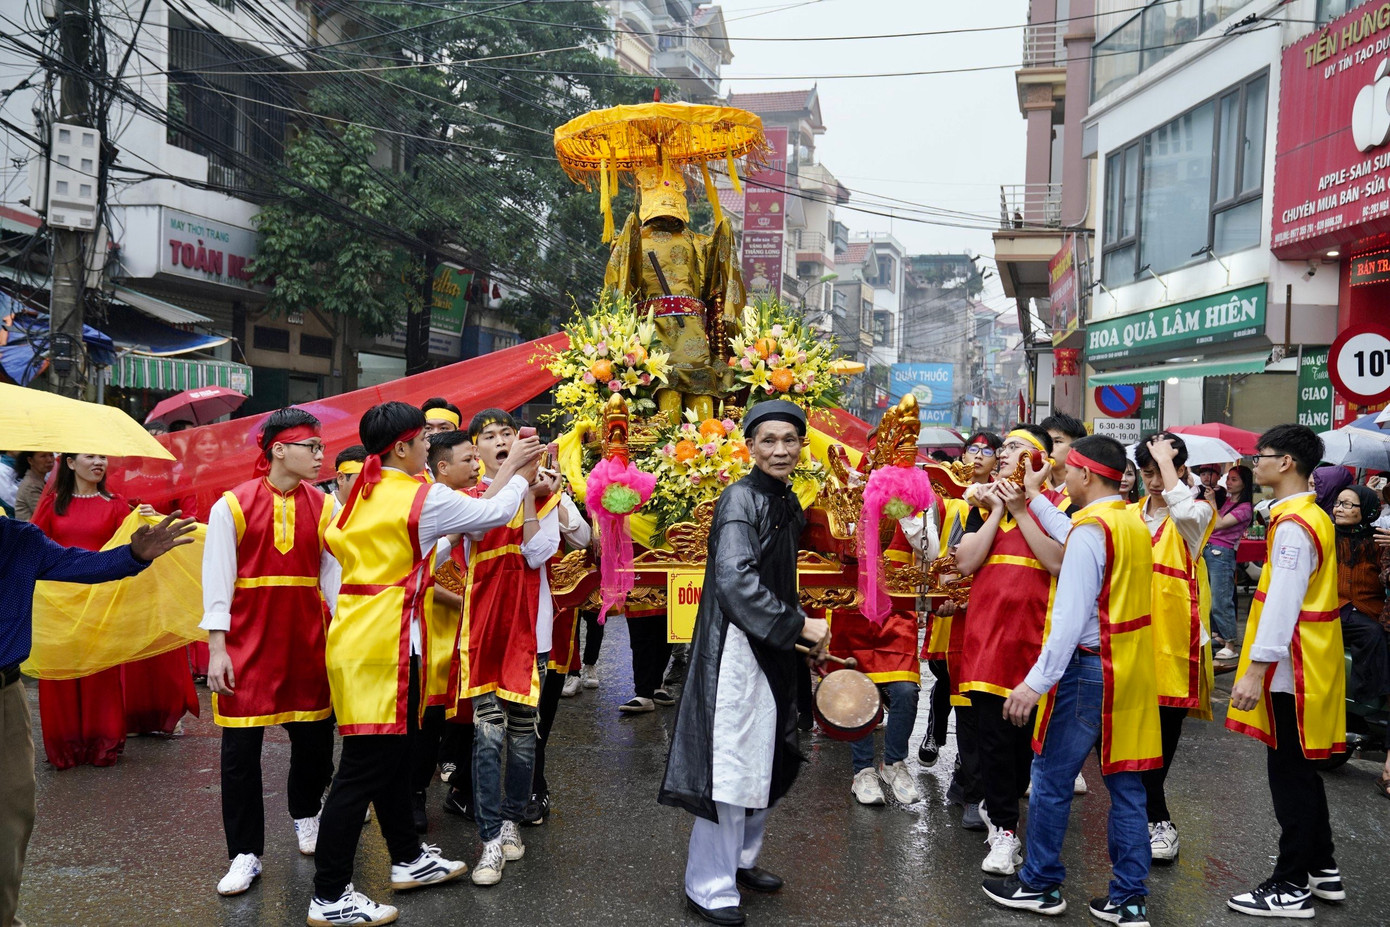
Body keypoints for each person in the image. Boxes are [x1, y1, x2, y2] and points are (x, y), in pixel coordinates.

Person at [307, 401, 542, 926]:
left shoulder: (359, 490)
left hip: (364, 638)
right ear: (402, 448)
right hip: (383, 643)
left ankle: (408, 858)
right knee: (361, 770)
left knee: (393, 756)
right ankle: (328, 895)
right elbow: (492, 515)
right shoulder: (421, 495)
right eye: (422, 442)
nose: (428, 449)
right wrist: (520, 474)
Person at [659, 400, 829, 927]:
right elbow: (737, 583)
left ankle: (740, 862)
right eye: (769, 441)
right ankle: (707, 883)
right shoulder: (740, 499)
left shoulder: (784, 498)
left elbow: (779, 579)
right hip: (736, 650)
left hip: (772, 644)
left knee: (767, 757)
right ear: (750, 447)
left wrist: (798, 631)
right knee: (732, 766)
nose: (781, 450)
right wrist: (801, 625)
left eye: (790, 440)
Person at [983, 435, 1160, 925]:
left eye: (1065, 470)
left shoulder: (1092, 530)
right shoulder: (1128, 519)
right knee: (1126, 784)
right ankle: (1130, 896)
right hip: (1128, 666)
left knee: (1051, 779)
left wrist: (1034, 682)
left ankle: (1040, 883)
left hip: (1087, 669)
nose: (1060, 476)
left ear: (1085, 474)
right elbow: (1078, 534)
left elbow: (1069, 616)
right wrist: (1031, 501)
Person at [1, 509, 194, 927]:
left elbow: (81, 565)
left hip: (4, 694)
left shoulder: (19, 539)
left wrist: (134, 555)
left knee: (12, 810)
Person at [201, 409, 338, 897]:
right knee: (240, 753)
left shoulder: (325, 506)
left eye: (321, 447)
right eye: (312, 447)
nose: (321, 455)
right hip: (247, 641)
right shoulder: (231, 505)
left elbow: (334, 576)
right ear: (279, 449)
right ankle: (244, 853)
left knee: (316, 741)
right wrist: (217, 648)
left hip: (306, 638)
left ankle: (306, 813)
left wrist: (346, 632)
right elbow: (216, 578)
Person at [1226, 425, 1346, 919]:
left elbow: (1282, 603)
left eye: (1263, 456)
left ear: (1287, 464)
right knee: (1299, 770)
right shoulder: (1303, 515)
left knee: (1290, 774)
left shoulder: (1295, 525)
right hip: (1307, 662)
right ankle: (1322, 867)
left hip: (1291, 668)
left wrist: (1255, 670)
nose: (1256, 464)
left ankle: (1291, 884)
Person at [31, 454, 195, 766]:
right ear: (68, 463)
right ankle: (64, 747)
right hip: (59, 605)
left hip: (102, 604)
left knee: (101, 674)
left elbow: (135, 548)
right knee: (59, 676)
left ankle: (101, 743)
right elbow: (33, 546)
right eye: (89, 456)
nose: (98, 462)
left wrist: (147, 517)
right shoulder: (52, 504)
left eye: (101, 456)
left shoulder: (118, 504)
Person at [952, 426, 1066, 877]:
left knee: (1026, 747)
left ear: (1041, 460)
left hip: (1038, 643)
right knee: (995, 743)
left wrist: (1020, 508)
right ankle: (1003, 830)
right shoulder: (987, 510)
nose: (1002, 456)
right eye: (1004, 450)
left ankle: (1007, 812)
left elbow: (1058, 561)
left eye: (1015, 449)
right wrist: (999, 507)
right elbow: (964, 562)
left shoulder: (1058, 508)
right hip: (988, 641)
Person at [458, 409, 561, 886]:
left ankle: (512, 820)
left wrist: (538, 502)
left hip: (530, 637)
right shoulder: (467, 498)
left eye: (508, 434)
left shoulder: (544, 494)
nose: (500, 440)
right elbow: (478, 529)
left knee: (523, 736)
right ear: (476, 452)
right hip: (481, 634)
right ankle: (489, 840)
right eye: (490, 437)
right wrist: (512, 479)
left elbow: (540, 554)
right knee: (487, 736)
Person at [1131, 433, 1215, 865]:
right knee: (1126, 735)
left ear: (1182, 471)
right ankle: (1146, 817)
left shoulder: (1197, 513)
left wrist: (1167, 463)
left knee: (1162, 736)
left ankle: (1158, 819)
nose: (1153, 481)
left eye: (1161, 471)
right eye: (1146, 472)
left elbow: (1183, 509)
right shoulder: (1126, 514)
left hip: (1173, 644)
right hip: (1126, 641)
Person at [829, 515, 930, 807]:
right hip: (853, 605)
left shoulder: (908, 500)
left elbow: (928, 552)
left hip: (897, 608)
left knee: (905, 691)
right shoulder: (844, 489)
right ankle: (862, 771)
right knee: (859, 692)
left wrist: (923, 603)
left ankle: (894, 763)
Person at [530, 483, 593, 824]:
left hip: (554, 604)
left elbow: (583, 538)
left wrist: (556, 498)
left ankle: (534, 780)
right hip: (502, 603)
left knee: (544, 698)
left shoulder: (553, 493)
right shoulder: (481, 490)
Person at [1332, 485, 1390, 702]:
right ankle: (1368, 698)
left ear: (1365, 509)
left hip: (1369, 608)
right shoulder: (1327, 535)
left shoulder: (1379, 540)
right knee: (1372, 633)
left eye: (1347, 505)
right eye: (1338, 503)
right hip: (1337, 606)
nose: (1339, 509)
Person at [1204, 464, 1254, 659]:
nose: (1229, 482)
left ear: (1244, 483)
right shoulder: (1228, 501)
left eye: (1234, 479)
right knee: (1210, 598)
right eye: (1229, 478)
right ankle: (1220, 637)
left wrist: (1211, 501)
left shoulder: (1245, 508)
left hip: (1222, 554)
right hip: (1210, 551)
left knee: (1221, 600)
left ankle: (1231, 644)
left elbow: (1219, 524)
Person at [1040, 412, 1086, 493]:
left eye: (1057, 441)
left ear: (1076, 447)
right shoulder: (1034, 480)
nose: (1049, 447)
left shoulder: (1084, 485)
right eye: (1046, 441)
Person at [13, 451, 53, 522]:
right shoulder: (31, 485)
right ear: (30, 460)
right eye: (43, 456)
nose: (49, 460)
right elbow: (46, 514)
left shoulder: (39, 480)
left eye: (51, 455)